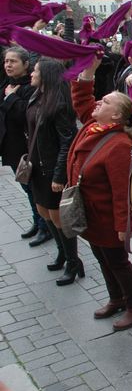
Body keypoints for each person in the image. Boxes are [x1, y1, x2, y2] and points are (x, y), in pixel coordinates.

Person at [68, 58, 132, 330]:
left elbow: (120, 192)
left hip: (107, 218)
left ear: (116, 116)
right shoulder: (94, 126)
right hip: (91, 214)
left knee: (118, 262)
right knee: (102, 259)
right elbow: (81, 99)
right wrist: (88, 71)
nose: (99, 102)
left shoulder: (118, 144)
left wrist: (124, 225)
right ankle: (116, 298)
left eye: (107, 102)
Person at [25, 59, 79, 284]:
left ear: (45, 75)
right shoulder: (36, 96)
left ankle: (73, 262)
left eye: (35, 71)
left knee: (59, 218)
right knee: (43, 211)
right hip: (37, 168)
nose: (31, 74)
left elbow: (67, 141)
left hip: (51, 170)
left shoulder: (59, 105)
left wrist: (59, 175)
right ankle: (61, 253)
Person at [1, 47, 51, 246]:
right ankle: (37, 222)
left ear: (26, 64)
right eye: (6, 61)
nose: (8, 65)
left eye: (13, 61)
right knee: (26, 188)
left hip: (27, 148)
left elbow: (27, 114)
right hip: (11, 147)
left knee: (33, 189)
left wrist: (11, 98)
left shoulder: (30, 87)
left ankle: (45, 226)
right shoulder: (7, 83)